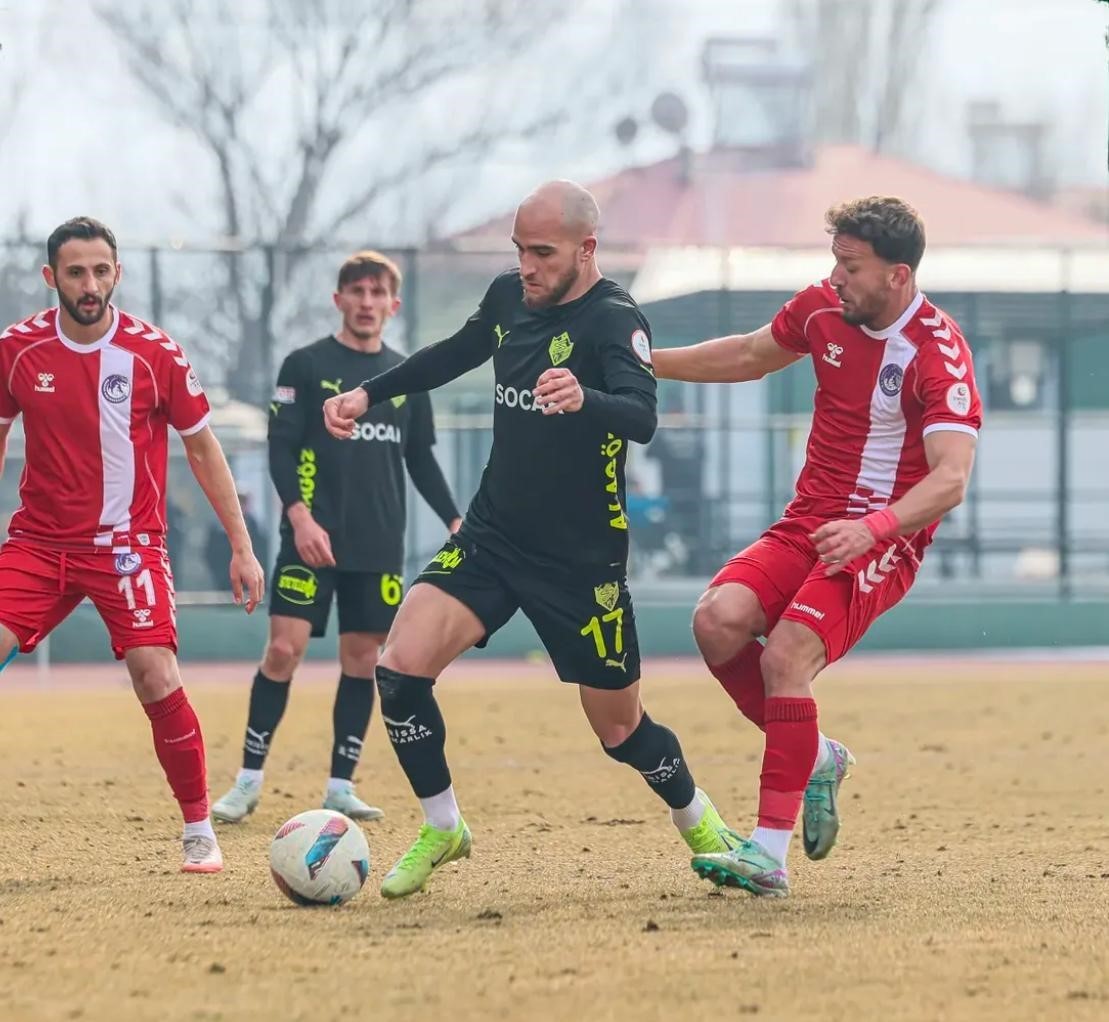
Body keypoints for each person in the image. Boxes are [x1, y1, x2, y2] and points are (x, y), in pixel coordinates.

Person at [322, 180, 739, 900]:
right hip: (493, 535)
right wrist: (370, 393)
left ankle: (698, 820)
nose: (527, 267)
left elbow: (641, 415)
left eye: (542, 252)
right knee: (399, 669)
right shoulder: (508, 297)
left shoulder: (616, 320)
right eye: (519, 250)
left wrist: (584, 398)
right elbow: (452, 353)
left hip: (581, 560)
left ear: (586, 249)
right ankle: (443, 825)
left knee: (620, 731)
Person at [652, 196, 983, 898]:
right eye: (834, 260)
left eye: (851, 266)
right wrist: (646, 364)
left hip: (880, 542)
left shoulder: (939, 353)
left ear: (897, 275)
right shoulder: (822, 309)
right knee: (715, 621)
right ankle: (817, 758)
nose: (835, 277)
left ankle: (767, 855)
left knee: (785, 657)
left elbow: (951, 479)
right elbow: (748, 354)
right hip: (807, 523)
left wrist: (873, 529)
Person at [0, 217, 265, 873]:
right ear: (51, 278)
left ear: (117, 273)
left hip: (127, 547)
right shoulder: (17, 351)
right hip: (39, 544)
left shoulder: (155, 354)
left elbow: (203, 450)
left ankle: (199, 829)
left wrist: (241, 545)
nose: (89, 285)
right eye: (75, 273)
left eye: (100, 271)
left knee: (155, 672)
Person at [212, 251, 462, 824]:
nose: (367, 303)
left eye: (378, 294)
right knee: (283, 651)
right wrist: (300, 518)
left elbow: (421, 459)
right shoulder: (304, 365)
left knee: (362, 660)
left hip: (378, 544)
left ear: (393, 305)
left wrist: (454, 520)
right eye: (358, 292)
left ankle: (340, 786)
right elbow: (280, 448)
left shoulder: (406, 377)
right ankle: (248, 781)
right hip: (310, 539)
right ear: (339, 299)